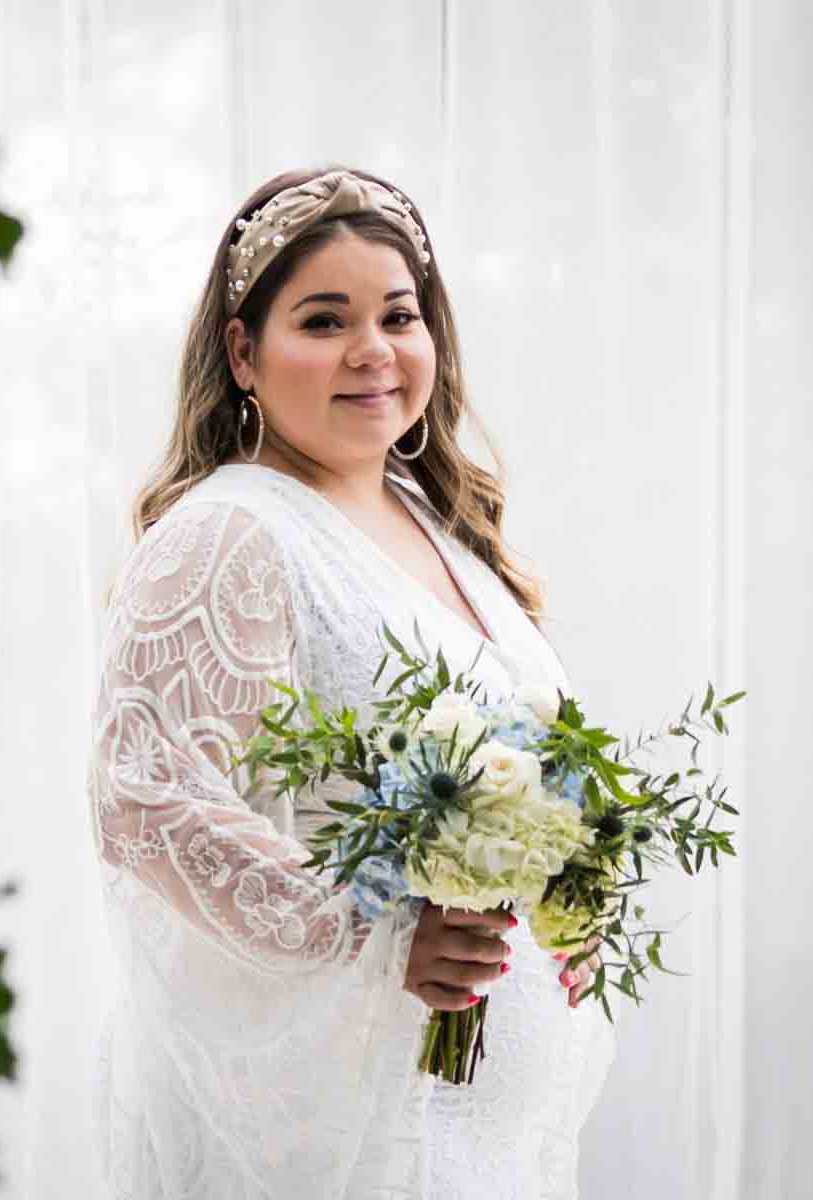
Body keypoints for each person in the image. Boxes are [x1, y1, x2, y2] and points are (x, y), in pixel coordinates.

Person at [88, 166, 616, 1198]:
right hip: (346, 1138)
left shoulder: (439, 528)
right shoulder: (228, 534)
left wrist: (573, 888)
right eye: (324, 321)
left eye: (399, 315)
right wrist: (375, 933)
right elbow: (148, 803)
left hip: (483, 1135)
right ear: (244, 352)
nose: (373, 352)